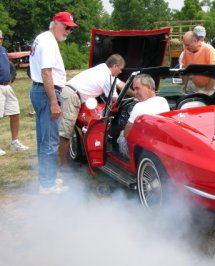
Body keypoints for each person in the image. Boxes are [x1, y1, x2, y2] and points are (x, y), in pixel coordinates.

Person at [29, 11, 78, 194]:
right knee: (50, 142)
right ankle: (47, 185)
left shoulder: (42, 38)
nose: (68, 31)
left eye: (70, 29)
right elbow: (46, 72)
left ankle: (46, 180)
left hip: (39, 90)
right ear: (56, 23)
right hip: (46, 92)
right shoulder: (49, 41)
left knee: (44, 141)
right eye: (66, 27)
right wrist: (53, 102)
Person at [58, 54, 126, 169]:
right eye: (120, 69)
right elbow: (115, 100)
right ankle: (63, 166)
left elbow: (121, 85)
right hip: (72, 96)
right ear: (114, 66)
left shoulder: (103, 69)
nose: (120, 72)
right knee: (66, 132)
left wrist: (136, 94)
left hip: (72, 94)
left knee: (68, 130)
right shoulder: (107, 77)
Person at [117, 74, 170, 157]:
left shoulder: (139, 107)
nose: (134, 92)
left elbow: (127, 134)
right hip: (158, 145)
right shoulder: (163, 101)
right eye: (134, 89)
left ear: (148, 86)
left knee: (121, 135)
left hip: (142, 150)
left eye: (137, 88)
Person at [0, 30, 29, 156]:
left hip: (7, 86)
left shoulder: (3, 50)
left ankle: (14, 142)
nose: (0, 40)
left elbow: (8, 67)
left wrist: (10, 82)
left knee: (15, 113)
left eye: (1, 38)